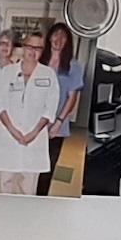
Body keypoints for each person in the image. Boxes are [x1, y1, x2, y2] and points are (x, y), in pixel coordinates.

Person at [0, 31, 58, 195]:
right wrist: (13, 130)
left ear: (42, 51)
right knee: (3, 187)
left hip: (34, 140)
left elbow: (50, 109)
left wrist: (33, 133)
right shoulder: (7, 72)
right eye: (30, 46)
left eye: (38, 48)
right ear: (23, 47)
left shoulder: (48, 75)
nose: (33, 51)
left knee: (28, 190)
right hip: (8, 138)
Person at [43, 20, 82, 176]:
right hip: (35, 121)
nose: (58, 40)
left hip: (57, 124)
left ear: (67, 41)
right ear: (49, 37)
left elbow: (72, 98)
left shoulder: (73, 65)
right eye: (55, 35)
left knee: (47, 168)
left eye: (63, 37)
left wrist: (59, 121)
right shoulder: (40, 61)